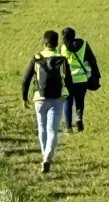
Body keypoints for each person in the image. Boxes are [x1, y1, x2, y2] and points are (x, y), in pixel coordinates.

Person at [22, 31, 72, 174]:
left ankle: (44, 157)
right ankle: (47, 157)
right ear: (56, 45)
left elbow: (25, 80)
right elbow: (68, 81)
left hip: (40, 98)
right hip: (57, 99)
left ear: (44, 44)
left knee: (42, 128)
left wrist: (24, 97)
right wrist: (68, 94)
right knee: (53, 130)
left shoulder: (37, 58)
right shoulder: (62, 59)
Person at [61, 27, 101, 133]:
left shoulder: (63, 48)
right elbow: (92, 60)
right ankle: (78, 117)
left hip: (68, 79)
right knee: (80, 100)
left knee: (67, 102)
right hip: (82, 78)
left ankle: (68, 127)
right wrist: (96, 75)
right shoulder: (83, 45)